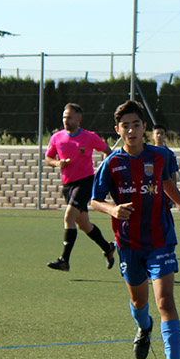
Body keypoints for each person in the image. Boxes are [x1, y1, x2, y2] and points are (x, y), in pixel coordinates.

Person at [91, 101, 180, 359]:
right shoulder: (111, 163)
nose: (132, 130)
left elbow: (167, 184)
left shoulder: (161, 156)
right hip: (128, 243)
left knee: (165, 301)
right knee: (139, 301)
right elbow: (94, 200)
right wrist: (111, 210)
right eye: (126, 125)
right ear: (118, 130)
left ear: (144, 127)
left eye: (136, 124)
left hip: (160, 240)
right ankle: (144, 327)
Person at [45, 103, 115, 272]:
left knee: (69, 216)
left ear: (78, 119)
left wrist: (103, 168)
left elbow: (108, 151)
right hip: (67, 185)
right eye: (64, 117)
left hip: (85, 183)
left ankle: (64, 260)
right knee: (84, 225)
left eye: (69, 117)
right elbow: (48, 158)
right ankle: (108, 248)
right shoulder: (57, 137)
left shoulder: (89, 137)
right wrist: (57, 163)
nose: (65, 120)